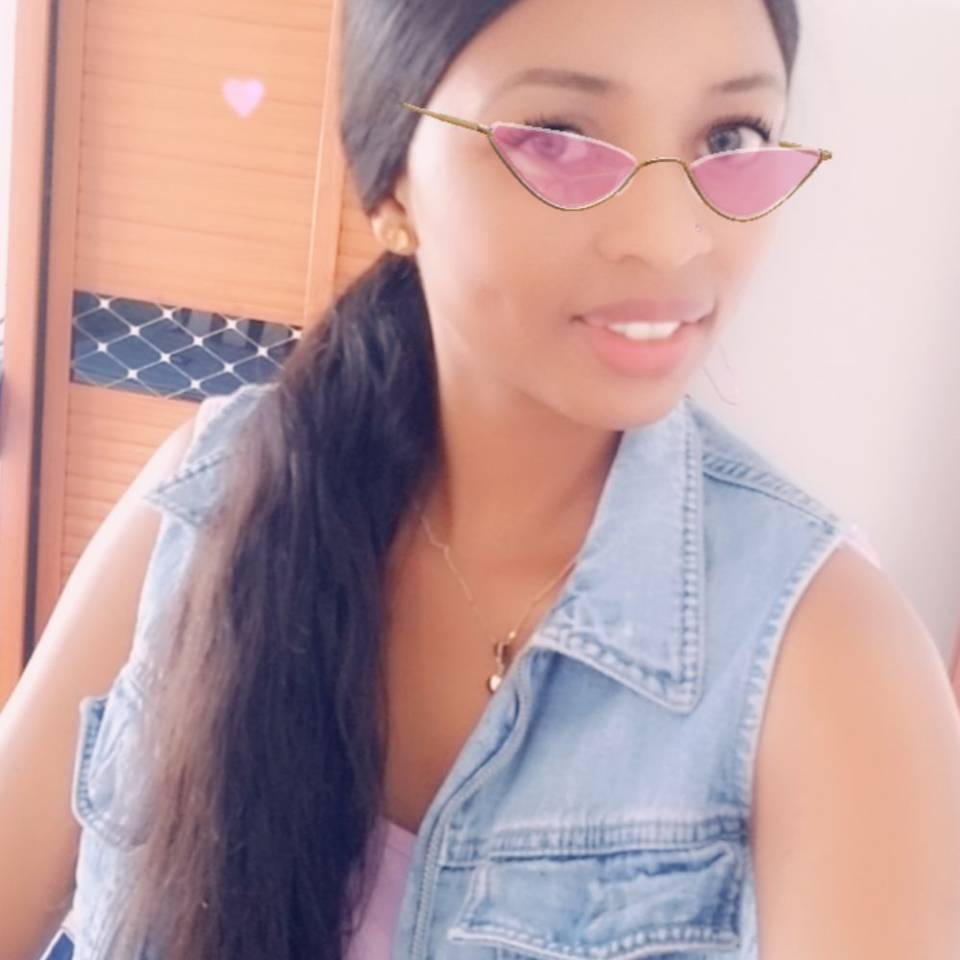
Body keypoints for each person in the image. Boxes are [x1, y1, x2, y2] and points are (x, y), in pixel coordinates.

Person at [4, 0, 960, 958]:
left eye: (730, 137)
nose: (673, 240)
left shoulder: (830, 651)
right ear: (393, 186)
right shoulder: (213, 494)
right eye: (559, 136)